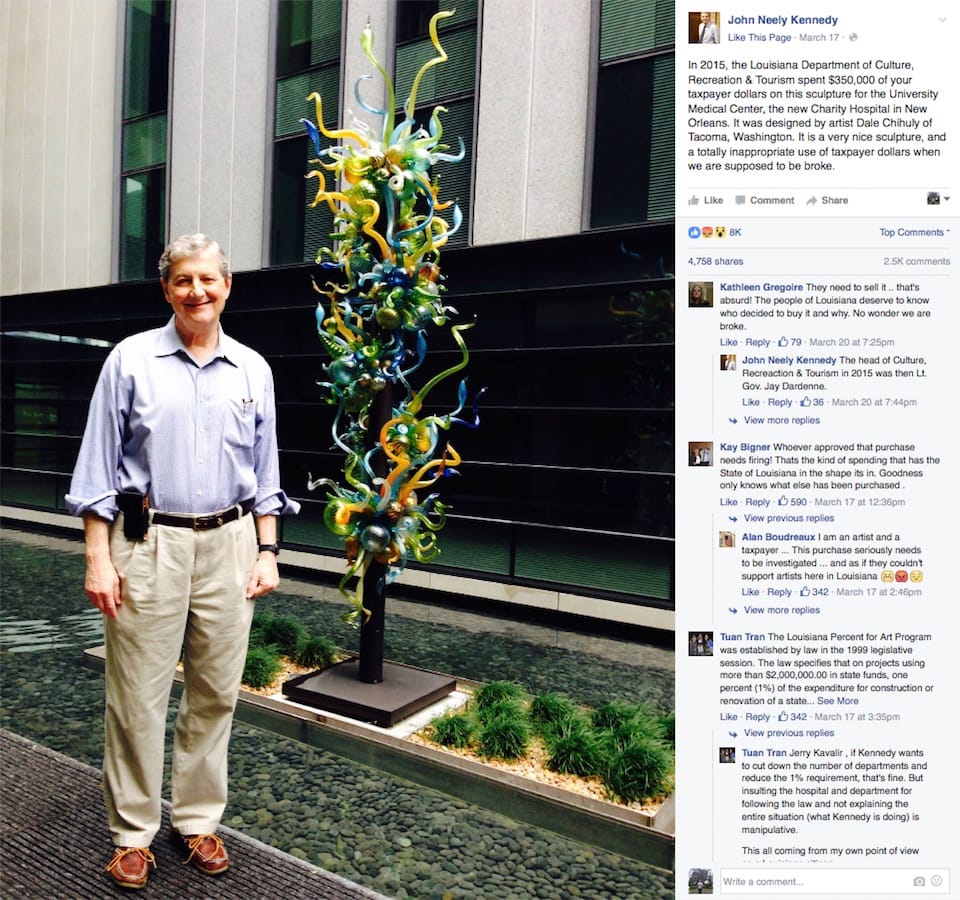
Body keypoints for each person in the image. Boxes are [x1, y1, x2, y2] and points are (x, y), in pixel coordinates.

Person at [66, 234, 299, 889]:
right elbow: (97, 470)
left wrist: (268, 548)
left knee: (215, 694)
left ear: (227, 287)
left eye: (209, 279)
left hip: (230, 545)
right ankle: (133, 833)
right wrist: (97, 559)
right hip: (147, 544)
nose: (198, 291)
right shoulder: (130, 360)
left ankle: (195, 821)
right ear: (167, 290)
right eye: (183, 280)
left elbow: (265, 470)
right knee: (137, 698)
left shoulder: (254, 370)